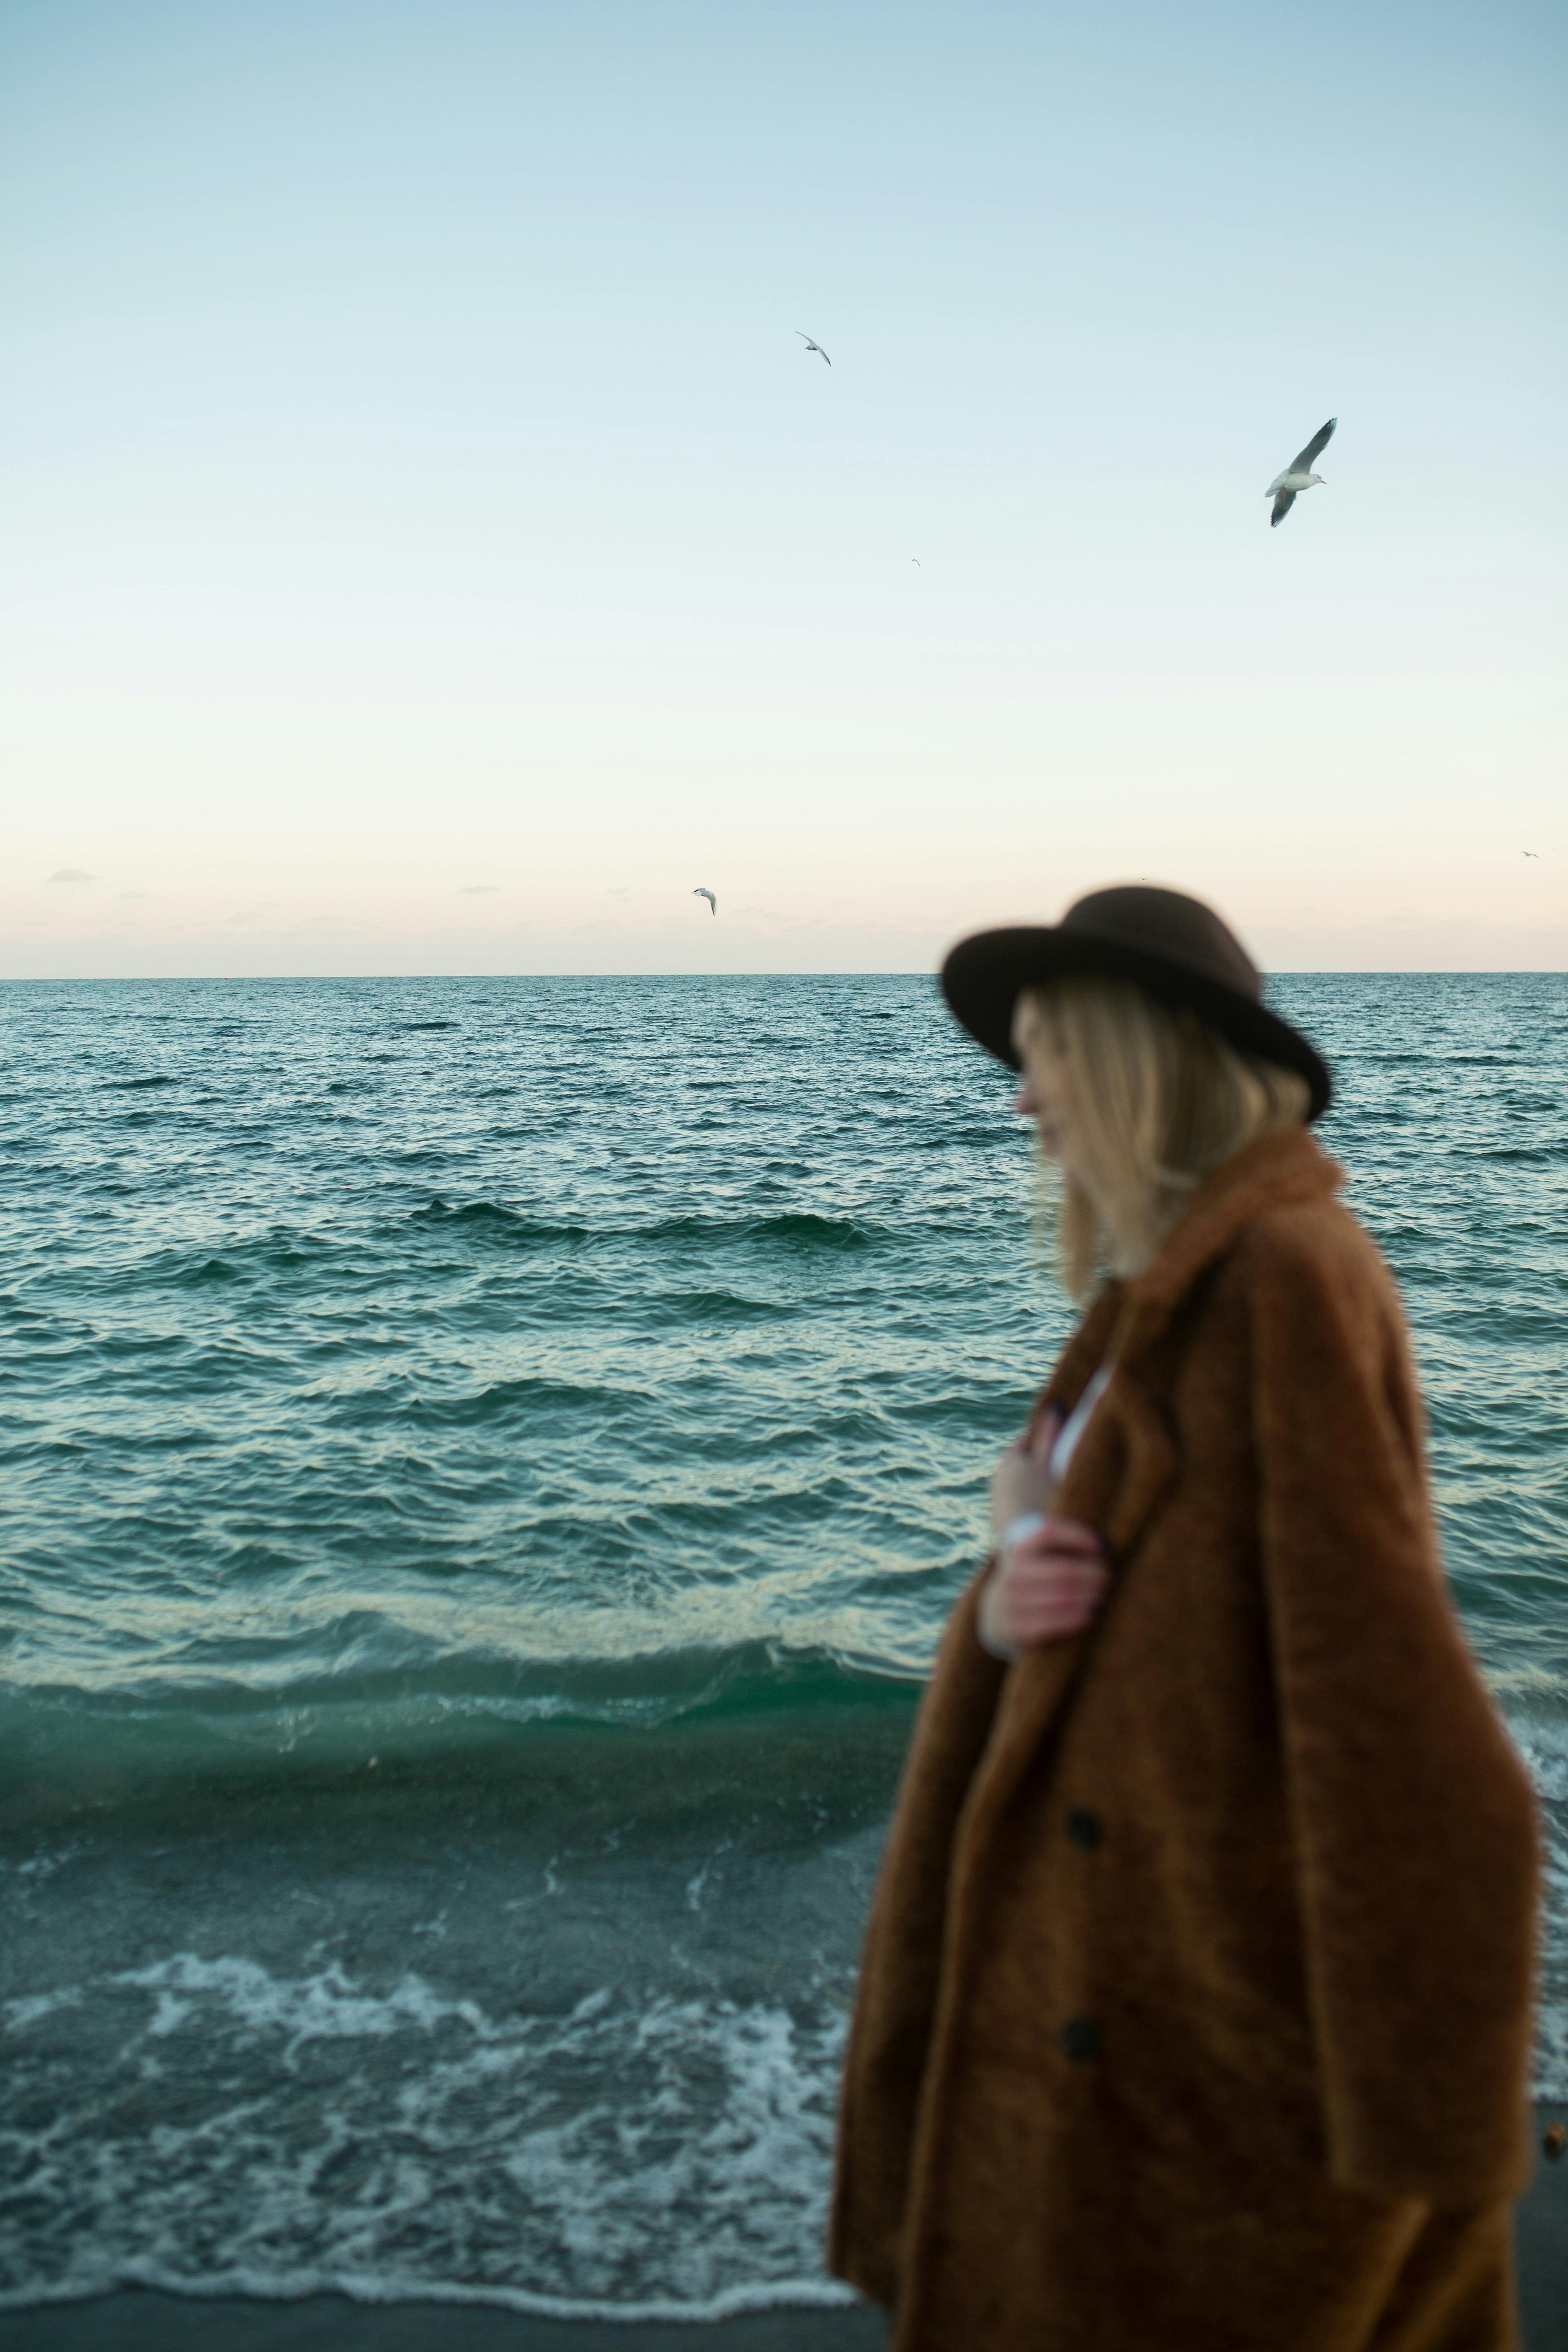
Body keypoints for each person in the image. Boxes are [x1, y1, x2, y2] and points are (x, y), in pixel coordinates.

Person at [829, 886, 1539, 2352]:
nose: (1020, 1097)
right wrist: (1015, 1556)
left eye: (1050, 1051)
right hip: (1107, 2024)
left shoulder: (1283, 1278)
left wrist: (1426, 2161)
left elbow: (1409, 1741)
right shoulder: (1160, 1291)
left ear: (1145, 1055)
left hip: (1191, 2073)